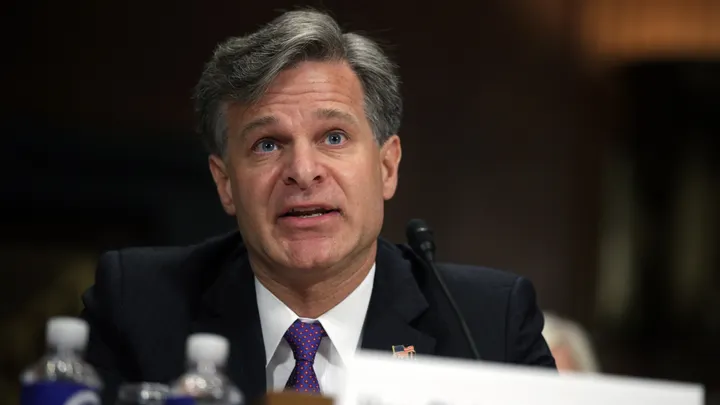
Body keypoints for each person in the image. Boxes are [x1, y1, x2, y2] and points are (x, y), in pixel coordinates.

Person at [80, 9, 556, 403]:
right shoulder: (136, 305)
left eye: (333, 137)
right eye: (267, 144)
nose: (303, 171)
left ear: (387, 167)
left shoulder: (489, 324)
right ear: (225, 184)